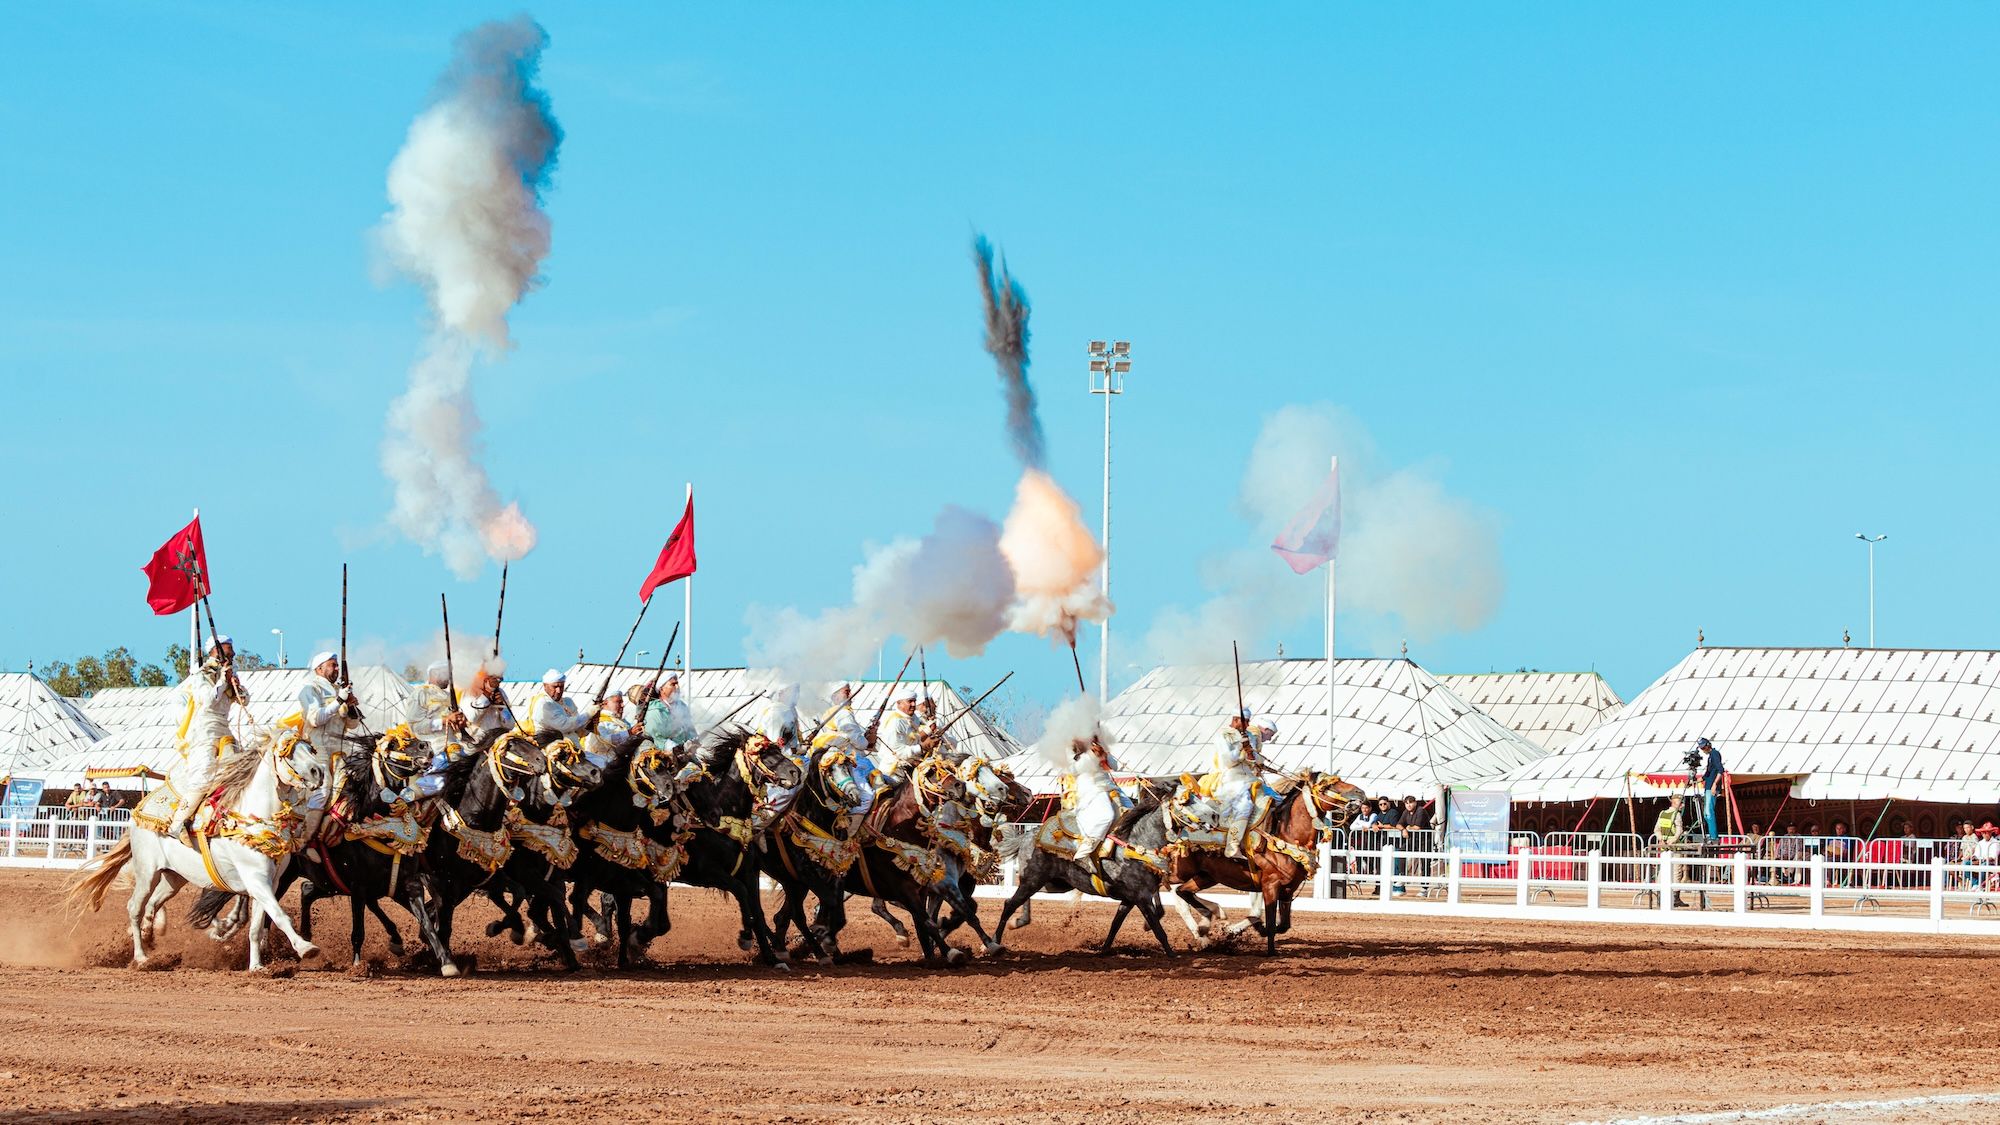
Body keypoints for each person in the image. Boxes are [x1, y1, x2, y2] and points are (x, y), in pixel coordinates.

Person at [164, 634, 249, 840]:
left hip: (224, 728)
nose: (233, 652)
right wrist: (221, 681)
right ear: (215, 651)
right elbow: (207, 701)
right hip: (204, 729)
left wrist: (235, 684)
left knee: (239, 771)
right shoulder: (201, 674)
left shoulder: (229, 674)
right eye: (228, 649)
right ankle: (177, 823)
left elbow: (244, 701)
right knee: (203, 778)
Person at [298, 652, 363, 808]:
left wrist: (352, 707)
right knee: (323, 790)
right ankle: (310, 830)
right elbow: (316, 719)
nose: (336, 668)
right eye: (332, 665)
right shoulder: (311, 688)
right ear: (320, 669)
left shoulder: (338, 690)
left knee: (351, 789)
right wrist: (339, 700)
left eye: (337, 665)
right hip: (318, 749)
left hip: (340, 750)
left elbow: (352, 725)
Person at [811, 685, 875, 836]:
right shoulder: (843, 713)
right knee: (867, 796)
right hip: (849, 762)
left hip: (851, 759)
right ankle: (850, 834)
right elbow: (857, 740)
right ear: (835, 695)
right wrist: (868, 741)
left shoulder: (836, 712)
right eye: (846, 691)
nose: (850, 694)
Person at [1212, 708, 1266, 858]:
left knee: (1273, 799)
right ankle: (1232, 846)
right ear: (1235, 720)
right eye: (1245, 721)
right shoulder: (1223, 736)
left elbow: (1257, 760)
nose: (1248, 724)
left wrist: (1251, 753)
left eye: (1249, 721)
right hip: (1231, 779)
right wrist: (1240, 748)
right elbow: (1228, 760)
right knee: (1245, 805)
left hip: (1250, 778)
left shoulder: (1249, 735)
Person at [1063, 732, 1122, 862]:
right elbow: (1072, 770)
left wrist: (1104, 754)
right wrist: (1091, 756)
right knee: (1106, 816)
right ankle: (1083, 854)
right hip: (1090, 789)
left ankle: (1111, 848)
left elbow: (1115, 767)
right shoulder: (1070, 748)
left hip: (1109, 786)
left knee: (1130, 812)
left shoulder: (1098, 745)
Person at [523, 670, 596, 741]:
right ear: (545, 686)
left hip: (573, 745)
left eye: (561, 687)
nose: (559, 691)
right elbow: (564, 725)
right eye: (555, 687)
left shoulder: (568, 702)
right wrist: (588, 715)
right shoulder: (544, 703)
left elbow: (578, 729)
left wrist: (591, 721)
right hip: (551, 746)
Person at [873, 688, 924, 782]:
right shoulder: (895, 722)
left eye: (914, 701)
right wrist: (922, 747)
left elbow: (916, 737)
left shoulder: (914, 718)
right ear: (899, 703)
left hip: (913, 767)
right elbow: (899, 752)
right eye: (910, 701)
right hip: (894, 771)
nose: (913, 705)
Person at [643, 673, 696, 750]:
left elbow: (691, 731)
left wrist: (694, 743)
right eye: (673, 684)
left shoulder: (682, 706)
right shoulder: (655, 710)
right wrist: (678, 748)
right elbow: (656, 738)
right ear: (662, 689)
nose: (677, 687)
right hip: (664, 756)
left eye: (677, 684)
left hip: (687, 753)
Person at [463, 667, 516, 737]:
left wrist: (501, 707)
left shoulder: (501, 692)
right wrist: (486, 696)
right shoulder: (470, 692)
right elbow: (471, 719)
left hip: (497, 740)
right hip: (477, 742)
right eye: (494, 679)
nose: (497, 683)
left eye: (499, 679)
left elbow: (510, 724)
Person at [1697, 738, 1724, 839]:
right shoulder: (1710, 757)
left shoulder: (1715, 754)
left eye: (1704, 747)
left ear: (1708, 745)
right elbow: (1709, 772)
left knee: (1709, 813)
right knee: (1706, 814)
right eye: (1702, 748)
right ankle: (1712, 835)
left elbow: (1720, 770)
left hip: (1711, 786)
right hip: (1708, 786)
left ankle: (1714, 837)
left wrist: (1714, 784)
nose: (1703, 749)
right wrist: (1698, 780)